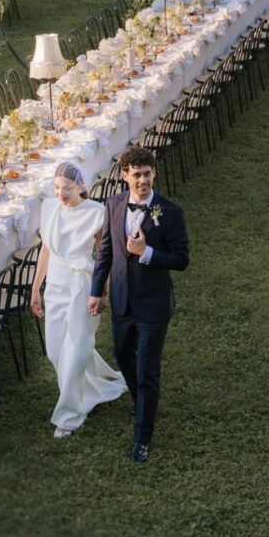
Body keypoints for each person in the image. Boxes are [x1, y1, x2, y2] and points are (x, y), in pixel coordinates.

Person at [89, 146, 189, 463]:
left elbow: (182, 259)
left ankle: (142, 438)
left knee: (147, 368)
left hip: (153, 305)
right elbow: (105, 252)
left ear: (154, 173)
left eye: (147, 174)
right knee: (122, 355)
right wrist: (97, 291)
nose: (142, 181)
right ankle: (141, 399)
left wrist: (146, 253)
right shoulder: (114, 205)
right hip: (121, 300)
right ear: (125, 176)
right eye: (137, 175)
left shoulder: (170, 212)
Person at [31, 161, 126, 437]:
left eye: (67, 188)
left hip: (81, 286)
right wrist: (35, 289)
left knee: (75, 349)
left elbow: (104, 254)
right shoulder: (50, 208)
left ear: (81, 186)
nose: (61, 193)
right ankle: (89, 389)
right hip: (55, 287)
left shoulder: (96, 213)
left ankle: (69, 415)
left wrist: (103, 289)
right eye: (57, 188)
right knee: (56, 351)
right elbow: (46, 252)